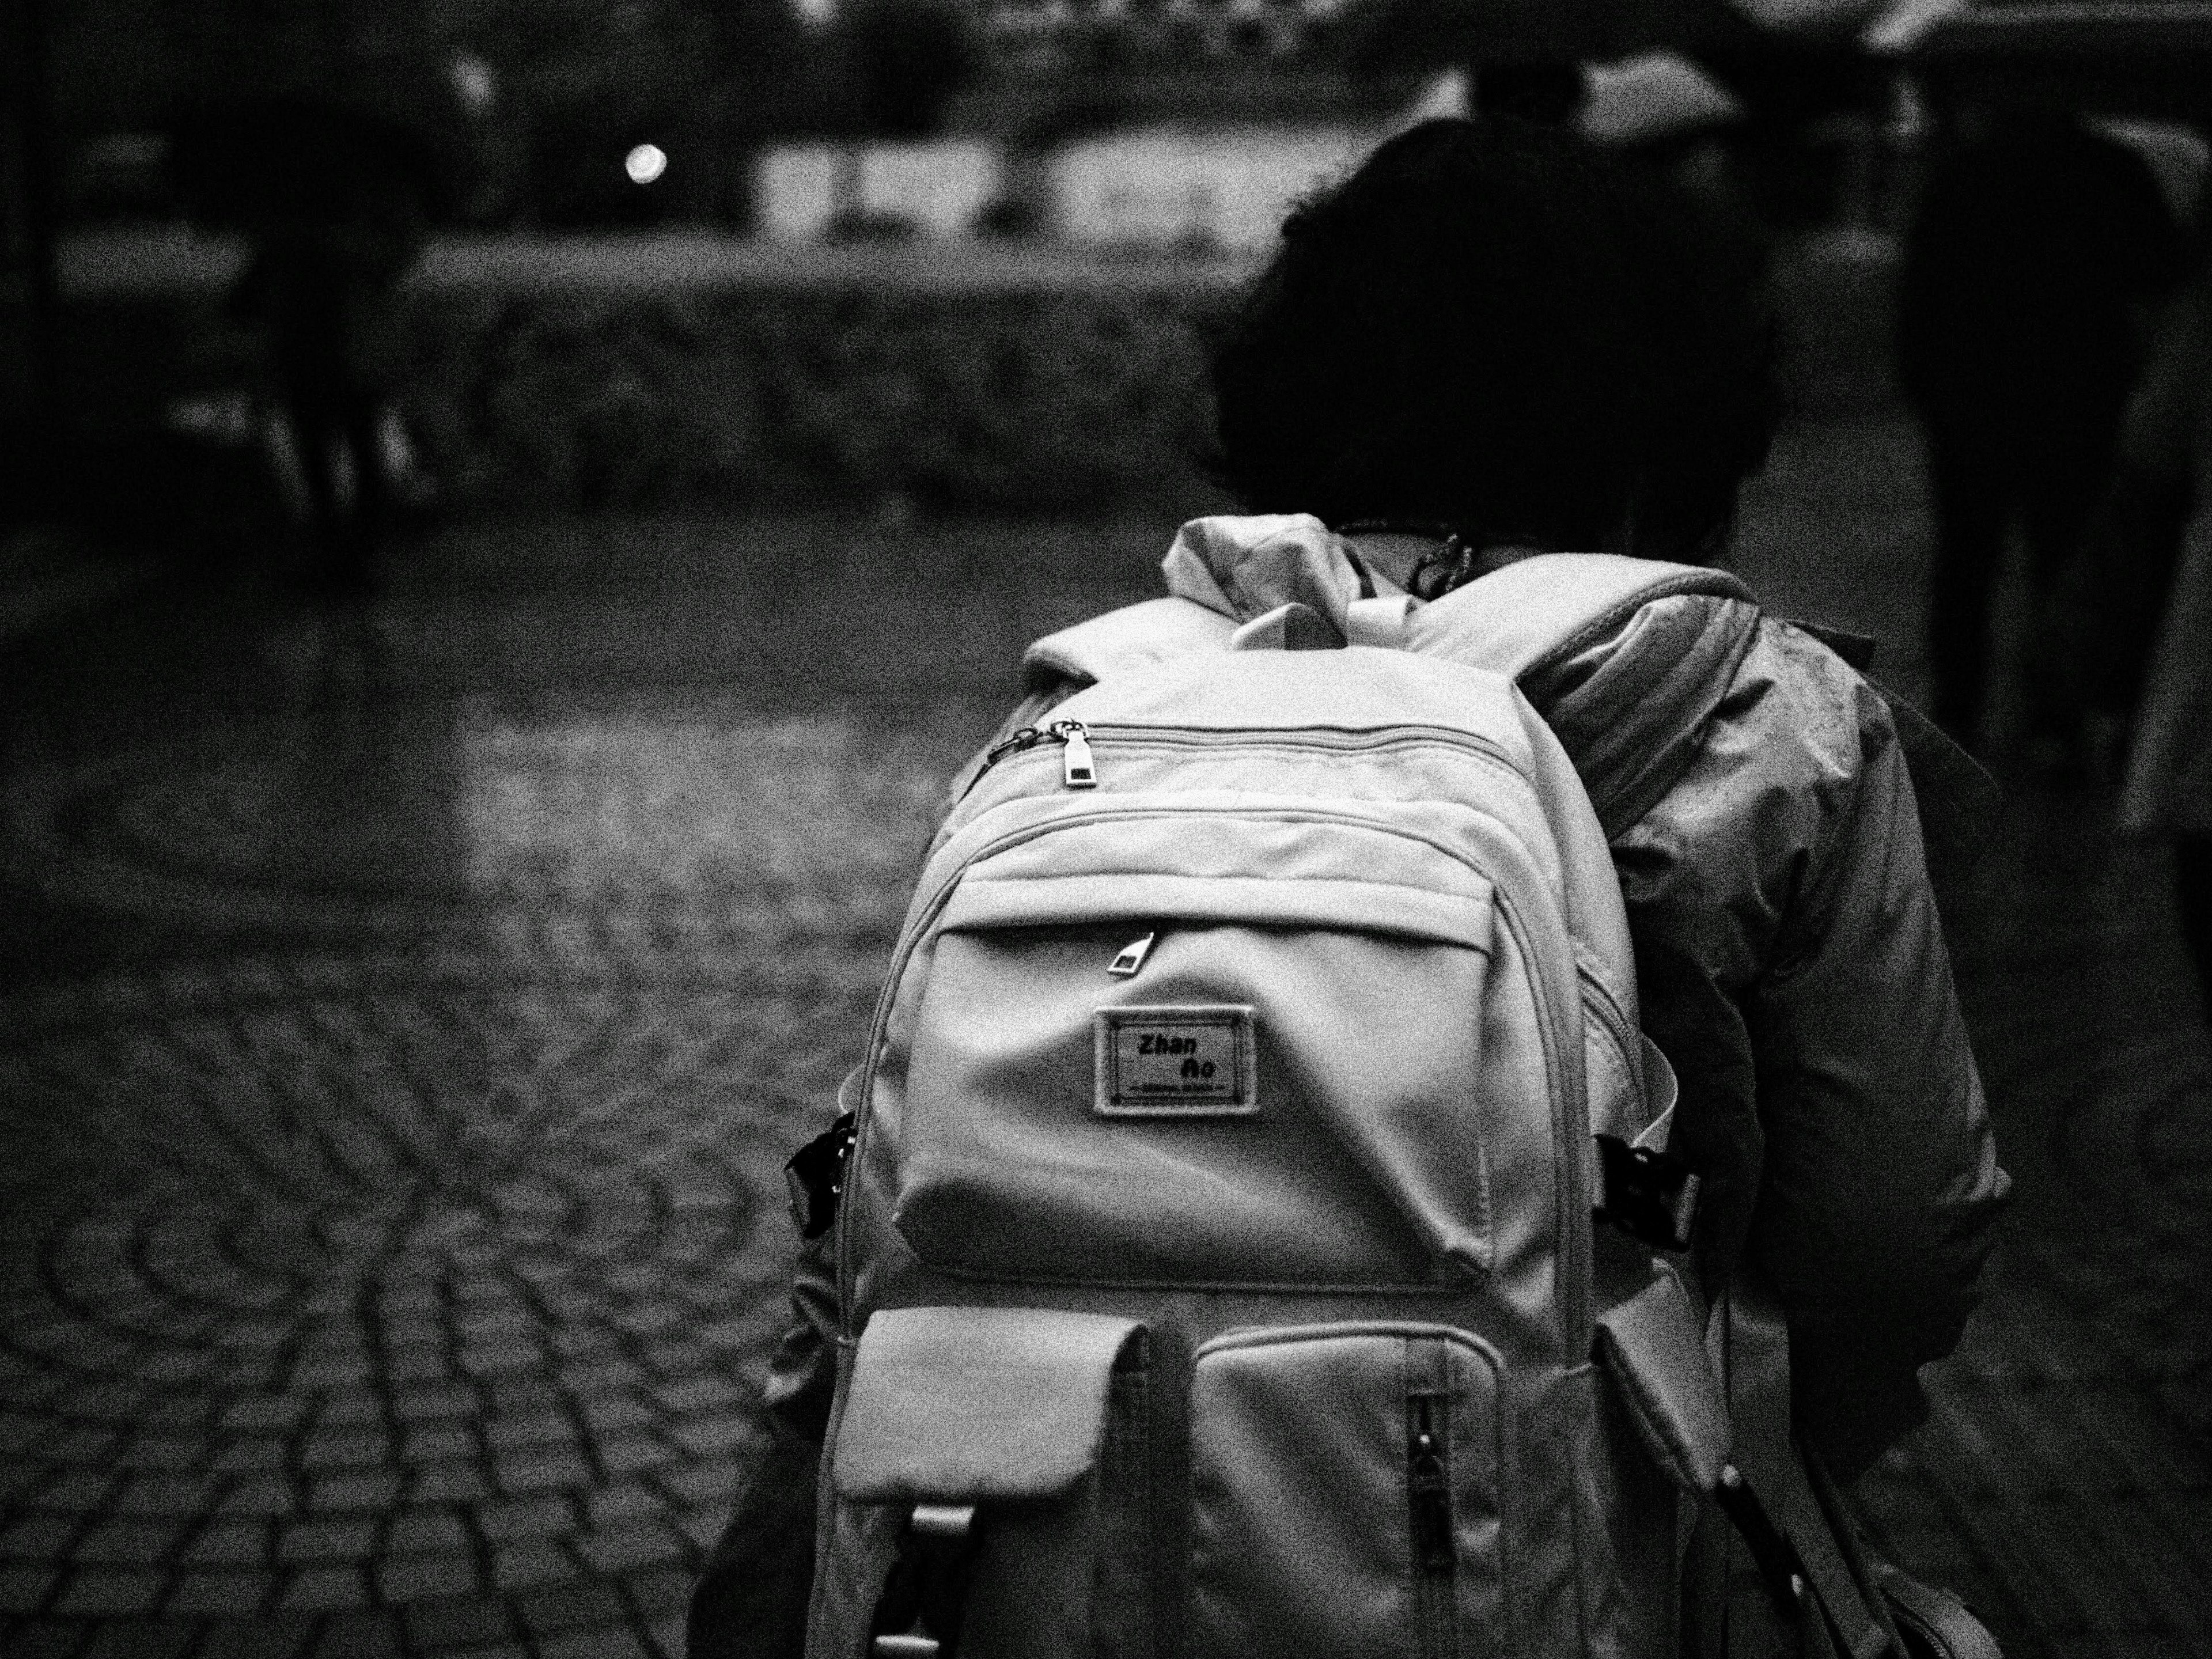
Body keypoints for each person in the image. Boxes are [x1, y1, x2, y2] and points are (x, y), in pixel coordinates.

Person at [690, 117, 2010, 1657]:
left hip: (1056, 1568)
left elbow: (872, 1194)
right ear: (1677, 417)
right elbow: (1893, 1239)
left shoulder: (1097, 707)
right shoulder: (1760, 718)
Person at [1896, 104, 2191, 752]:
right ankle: (2056, 712)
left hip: (1973, 394)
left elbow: (1921, 284)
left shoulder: (1966, 172)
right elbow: (2159, 277)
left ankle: (1959, 703)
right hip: (2077, 393)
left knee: (1968, 557)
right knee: (2060, 552)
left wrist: (1924, 383)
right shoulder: (2112, 171)